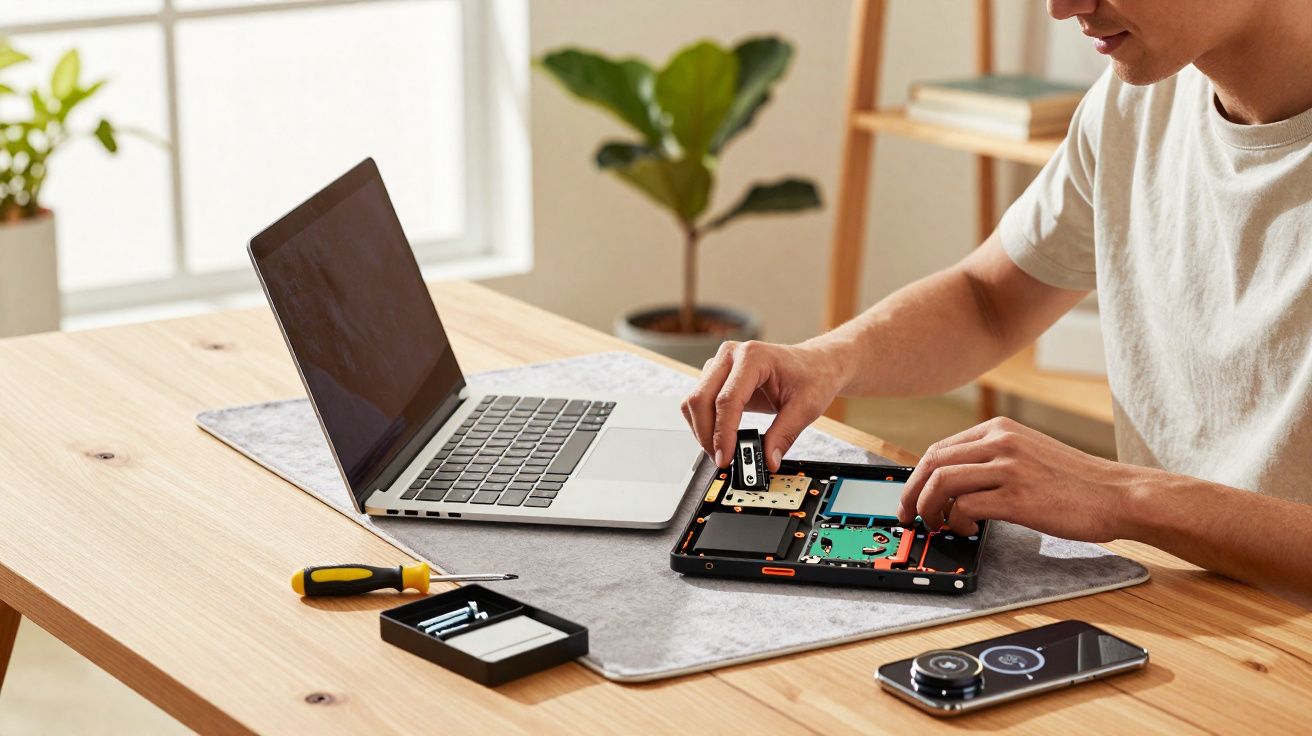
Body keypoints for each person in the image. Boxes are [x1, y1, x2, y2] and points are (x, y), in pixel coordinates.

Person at [681, 0, 1312, 605]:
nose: (1061, 8)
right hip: (1181, 597)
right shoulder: (1137, 100)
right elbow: (990, 300)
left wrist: (1123, 496)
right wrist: (827, 359)